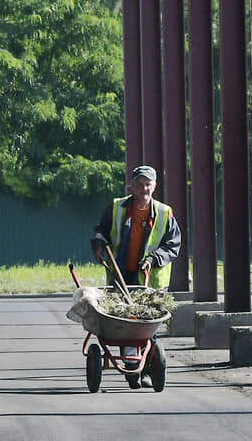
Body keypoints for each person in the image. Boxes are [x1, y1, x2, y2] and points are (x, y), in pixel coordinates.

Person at [90, 164, 181, 388]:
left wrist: (154, 258)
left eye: (147, 184)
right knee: (124, 322)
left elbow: (173, 244)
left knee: (146, 324)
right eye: (139, 184)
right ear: (132, 186)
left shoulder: (164, 213)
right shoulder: (117, 207)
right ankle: (132, 370)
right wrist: (99, 245)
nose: (143, 189)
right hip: (121, 274)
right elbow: (101, 229)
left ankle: (146, 370)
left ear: (155, 186)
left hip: (150, 279)